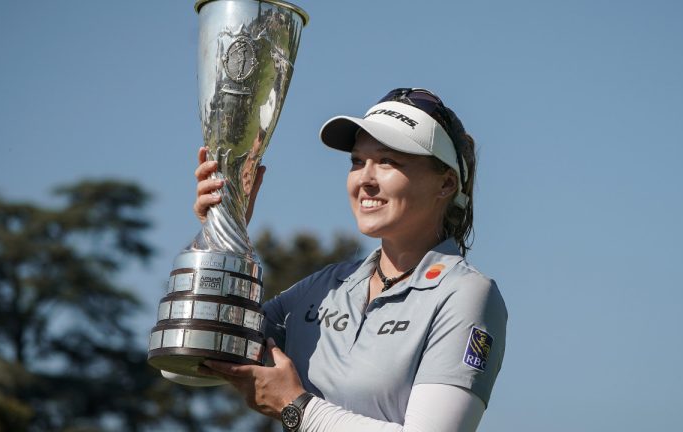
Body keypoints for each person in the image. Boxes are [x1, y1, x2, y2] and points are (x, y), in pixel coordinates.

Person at [194, 88, 507, 432]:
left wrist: (296, 406)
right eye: (358, 161)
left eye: (388, 161)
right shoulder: (325, 287)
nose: (365, 180)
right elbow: (195, 357)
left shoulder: (465, 294)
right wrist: (224, 232)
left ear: (446, 183)